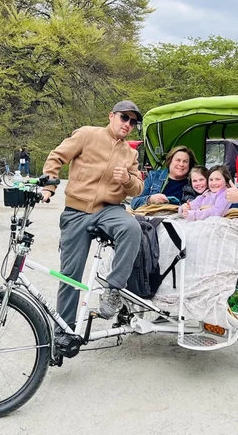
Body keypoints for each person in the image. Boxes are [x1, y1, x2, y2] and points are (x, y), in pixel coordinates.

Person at [40, 100, 144, 331]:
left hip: (109, 210)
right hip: (76, 212)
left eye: (133, 121)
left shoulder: (131, 153)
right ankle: (63, 330)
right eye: (124, 118)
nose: (128, 124)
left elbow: (138, 188)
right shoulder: (87, 134)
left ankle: (113, 289)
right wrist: (48, 187)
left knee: (132, 228)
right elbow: (57, 157)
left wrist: (127, 179)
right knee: (70, 275)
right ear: (111, 116)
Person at [130, 145, 197, 209]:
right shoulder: (154, 177)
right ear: (170, 161)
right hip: (154, 217)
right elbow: (134, 203)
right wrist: (150, 199)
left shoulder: (195, 181)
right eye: (178, 160)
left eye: (185, 161)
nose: (181, 164)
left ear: (189, 165)